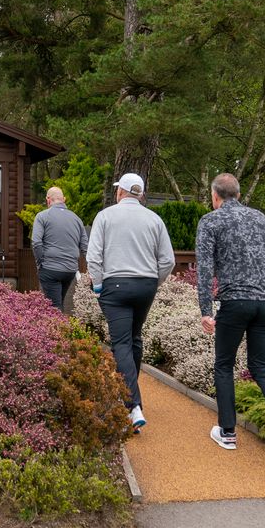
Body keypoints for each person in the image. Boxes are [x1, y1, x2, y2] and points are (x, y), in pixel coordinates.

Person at [195, 172, 265, 458]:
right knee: (260, 365)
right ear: (239, 195)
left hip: (235, 300)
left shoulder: (211, 221)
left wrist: (205, 310)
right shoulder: (261, 219)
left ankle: (227, 432)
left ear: (215, 196)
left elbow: (204, 269)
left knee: (224, 365)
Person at [86, 173, 175, 433]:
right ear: (141, 194)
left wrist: (98, 286)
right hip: (145, 285)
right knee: (134, 339)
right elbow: (167, 260)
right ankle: (129, 391)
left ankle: (131, 404)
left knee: (121, 342)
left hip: (115, 285)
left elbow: (93, 256)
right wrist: (154, 283)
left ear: (120, 192)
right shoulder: (154, 219)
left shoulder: (105, 216)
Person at [31, 186, 88, 313]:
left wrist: (40, 263)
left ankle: (59, 332)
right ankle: (61, 330)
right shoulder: (76, 219)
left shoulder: (42, 216)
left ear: (48, 200)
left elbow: (36, 242)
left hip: (50, 268)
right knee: (58, 303)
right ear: (64, 199)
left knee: (54, 308)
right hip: (70, 270)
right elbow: (85, 246)